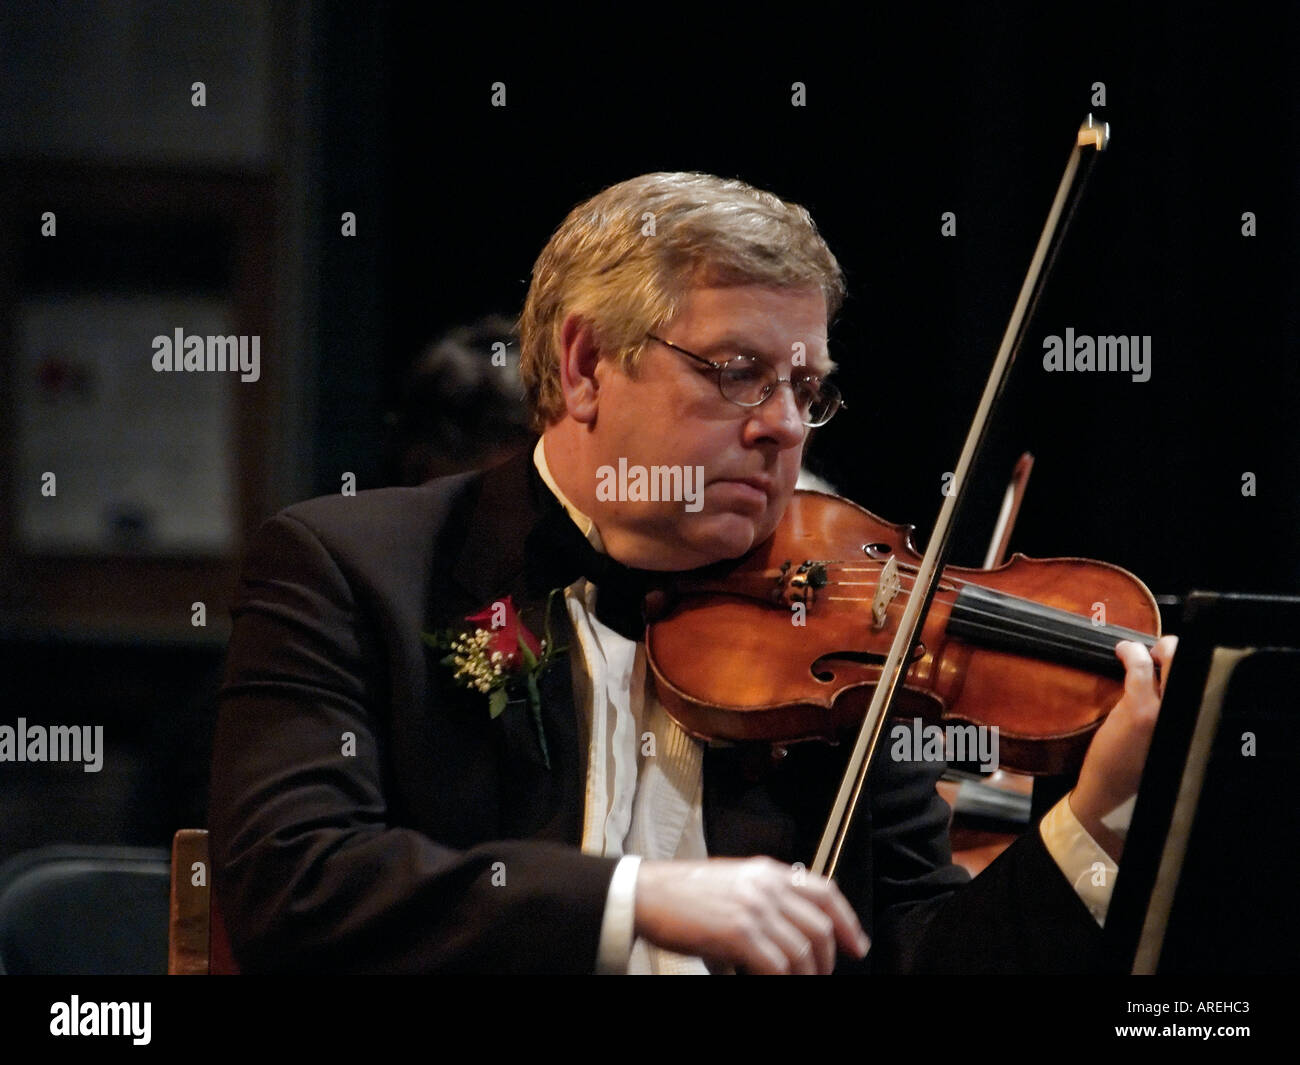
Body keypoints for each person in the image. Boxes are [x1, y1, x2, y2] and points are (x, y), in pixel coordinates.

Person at [209, 172, 1176, 974]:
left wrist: (1097, 815)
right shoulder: (349, 568)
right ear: (585, 364)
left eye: (806, 387)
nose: (784, 425)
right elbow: (293, 880)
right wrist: (640, 899)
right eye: (735, 371)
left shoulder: (844, 639)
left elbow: (927, 959)